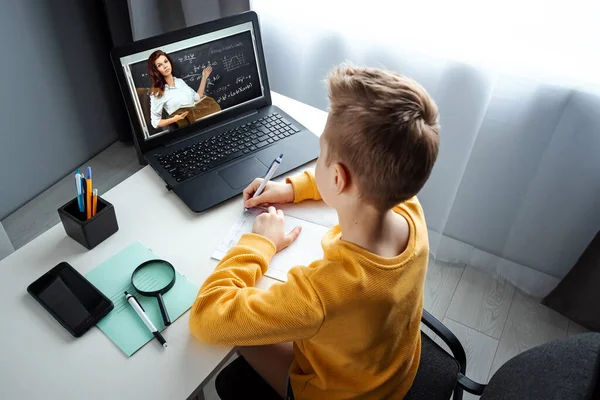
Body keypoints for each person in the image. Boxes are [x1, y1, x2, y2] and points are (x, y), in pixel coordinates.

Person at [189, 64, 440, 399]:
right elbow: (360, 180)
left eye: (321, 155)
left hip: (338, 392)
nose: (317, 162)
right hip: (394, 368)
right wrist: (292, 190)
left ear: (337, 178)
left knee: (240, 336)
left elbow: (207, 318)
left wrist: (259, 243)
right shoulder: (408, 204)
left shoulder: (320, 293)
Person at [147, 50, 214, 129]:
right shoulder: (157, 93)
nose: (165, 66)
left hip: (198, 123)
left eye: (166, 61)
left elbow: (197, 97)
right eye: (159, 65)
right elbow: (155, 122)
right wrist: (174, 119)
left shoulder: (180, 82)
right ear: (156, 71)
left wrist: (204, 78)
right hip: (182, 129)